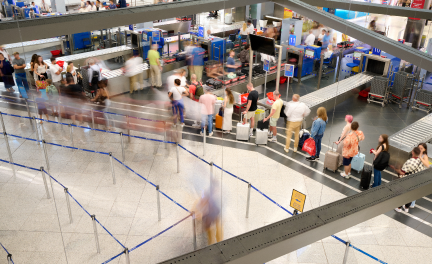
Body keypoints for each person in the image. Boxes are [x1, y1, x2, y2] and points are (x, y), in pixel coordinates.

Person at [394, 147, 427, 213]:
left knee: (402, 194)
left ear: (413, 152)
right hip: (415, 181)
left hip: (406, 181)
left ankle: (399, 208)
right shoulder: (421, 161)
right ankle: (406, 208)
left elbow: (403, 172)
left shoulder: (410, 161)